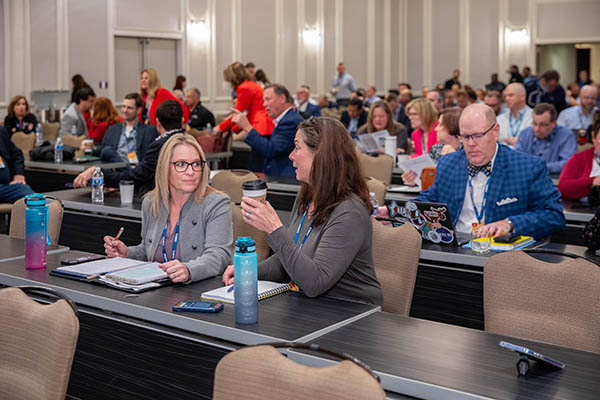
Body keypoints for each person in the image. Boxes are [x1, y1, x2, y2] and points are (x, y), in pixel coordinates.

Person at [222, 117, 382, 305]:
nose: (291, 155)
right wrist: (249, 271)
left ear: (321, 155)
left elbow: (315, 283)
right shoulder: (307, 196)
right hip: (312, 306)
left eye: (297, 147)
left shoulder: (350, 212)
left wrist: (274, 229)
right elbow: (287, 261)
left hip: (353, 312)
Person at [416, 103, 565, 239]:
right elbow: (428, 200)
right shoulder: (449, 163)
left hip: (503, 257)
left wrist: (510, 224)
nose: (471, 144)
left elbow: (553, 216)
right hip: (455, 251)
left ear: (496, 131)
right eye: (466, 137)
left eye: (478, 136)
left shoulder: (528, 167)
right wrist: (406, 210)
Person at [104, 134, 232, 284]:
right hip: (155, 289)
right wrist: (127, 253)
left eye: (196, 164)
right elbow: (148, 249)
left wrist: (189, 270)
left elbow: (219, 255)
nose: (191, 171)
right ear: (165, 168)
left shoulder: (216, 203)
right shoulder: (151, 202)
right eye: (181, 164)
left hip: (197, 290)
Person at [74, 100, 185, 195]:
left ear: (157, 122)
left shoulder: (158, 146)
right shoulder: (189, 142)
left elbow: (133, 178)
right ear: (182, 121)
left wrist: (98, 172)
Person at [229, 84, 303, 178]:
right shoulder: (285, 119)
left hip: (285, 180)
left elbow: (270, 149)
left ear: (282, 99)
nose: (264, 104)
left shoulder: (290, 121)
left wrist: (247, 127)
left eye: (268, 99)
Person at [90, 93, 158, 165]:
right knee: (107, 151)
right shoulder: (113, 129)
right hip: (115, 169)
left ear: (139, 110)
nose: (125, 110)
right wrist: (91, 148)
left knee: (108, 151)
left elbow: (151, 158)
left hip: (136, 169)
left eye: (129, 108)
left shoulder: (149, 131)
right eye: (123, 106)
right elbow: (102, 150)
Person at [401, 107, 462, 186]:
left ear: (451, 126)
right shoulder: (436, 149)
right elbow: (428, 179)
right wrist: (416, 180)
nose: (436, 128)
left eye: (440, 124)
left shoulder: (466, 152)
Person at [214, 62, 273, 138]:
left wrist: (220, 127)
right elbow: (249, 113)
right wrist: (233, 129)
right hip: (265, 124)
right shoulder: (251, 84)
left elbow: (238, 114)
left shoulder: (244, 88)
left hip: (260, 125)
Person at [514, 103, 577, 174]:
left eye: (542, 125)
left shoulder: (566, 135)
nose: (537, 129)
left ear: (554, 123)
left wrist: (542, 167)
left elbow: (568, 163)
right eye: (534, 123)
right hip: (527, 177)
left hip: (553, 179)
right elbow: (516, 159)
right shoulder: (525, 134)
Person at [558, 116, 600, 200]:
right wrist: (592, 181)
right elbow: (563, 187)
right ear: (593, 137)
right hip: (585, 210)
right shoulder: (579, 159)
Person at [0, 126, 35, 203]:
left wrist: (18, 174)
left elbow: (16, 154)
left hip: (8, 186)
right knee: (24, 191)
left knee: (32, 198)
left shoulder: (1, 131)